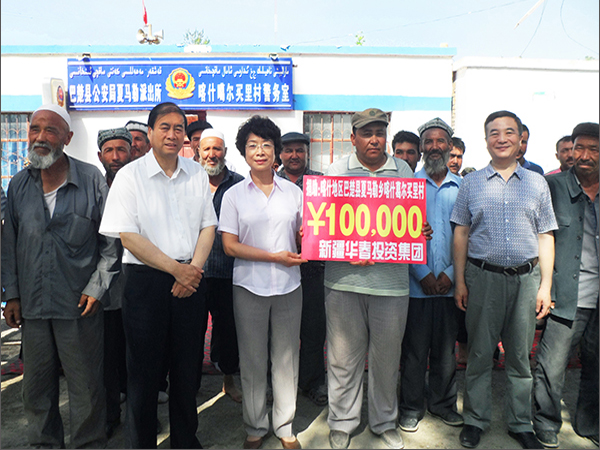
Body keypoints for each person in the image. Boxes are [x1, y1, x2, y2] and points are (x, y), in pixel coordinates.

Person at [99, 102, 217, 449]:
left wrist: (191, 271)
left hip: (191, 279)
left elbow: (208, 226)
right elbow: (128, 236)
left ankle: (184, 440)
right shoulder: (130, 176)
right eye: (164, 127)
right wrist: (177, 270)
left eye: (179, 128)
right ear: (149, 133)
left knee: (186, 371)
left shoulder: (196, 173)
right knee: (143, 375)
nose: (172, 134)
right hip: (146, 283)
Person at [1, 104, 119, 448]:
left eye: (50, 130)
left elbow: (111, 243)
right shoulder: (19, 185)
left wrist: (97, 288)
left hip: (79, 306)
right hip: (33, 306)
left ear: (67, 138)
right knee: (36, 388)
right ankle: (44, 444)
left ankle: (88, 444)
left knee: (86, 387)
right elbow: (9, 243)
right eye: (34, 129)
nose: (40, 137)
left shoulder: (91, 180)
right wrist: (12, 294)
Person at [324, 108, 431, 450]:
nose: (374, 139)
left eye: (380, 133)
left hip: (392, 284)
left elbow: (411, 221)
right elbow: (323, 224)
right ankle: (342, 422)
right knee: (343, 359)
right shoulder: (337, 171)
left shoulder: (403, 171)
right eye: (366, 133)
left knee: (386, 360)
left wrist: (419, 230)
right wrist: (344, 248)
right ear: (352, 138)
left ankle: (384, 421)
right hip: (343, 281)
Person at [452, 110, 557, 449]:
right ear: (486, 140)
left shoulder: (537, 183)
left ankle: (520, 423)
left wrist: (545, 286)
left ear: (520, 139)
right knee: (479, 355)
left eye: (509, 132)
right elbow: (461, 233)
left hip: (526, 281)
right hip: (483, 278)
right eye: (494, 133)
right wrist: (460, 281)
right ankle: (475, 420)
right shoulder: (471, 183)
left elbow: (545, 236)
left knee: (519, 358)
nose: (502, 138)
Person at [220, 115, 306, 450]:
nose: (259, 151)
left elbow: (305, 236)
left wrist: (306, 238)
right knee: (252, 359)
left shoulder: (295, 193)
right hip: (248, 286)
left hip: (289, 285)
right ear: (243, 152)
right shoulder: (234, 196)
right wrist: (274, 257)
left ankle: (284, 425)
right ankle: (255, 426)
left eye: (266, 145)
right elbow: (230, 246)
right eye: (252, 145)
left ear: (276, 152)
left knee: (286, 359)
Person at [533, 122, 599, 448]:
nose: (584, 155)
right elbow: (537, 236)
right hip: (566, 294)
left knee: (596, 367)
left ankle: (590, 423)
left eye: (593, 149)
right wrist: (542, 287)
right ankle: (545, 422)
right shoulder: (553, 186)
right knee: (552, 365)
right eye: (579, 148)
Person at [399, 118, 463, 433]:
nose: (435, 146)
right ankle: (411, 407)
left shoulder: (463, 188)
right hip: (415, 285)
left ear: (450, 146)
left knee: (445, 352)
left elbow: (470, 235)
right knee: (414, 351)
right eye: (429, 141)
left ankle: (443, 404)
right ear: (422, 147)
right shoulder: (407, 186)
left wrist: (451, 274)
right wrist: (422, 272)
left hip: (452, 285)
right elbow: (398, 233)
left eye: (440, 141)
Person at [276, 131, 328, 407]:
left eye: (300, 150)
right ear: (280, 154)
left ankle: (312, 382)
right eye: (288, 150)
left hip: (313, 269)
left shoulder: (321, 182)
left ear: (307, 153)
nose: (294, 155)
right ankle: (278, 383)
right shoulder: (270, 182)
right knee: (279, 332)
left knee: (313, 330)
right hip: (279, 269)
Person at [196, 128, 244, 403]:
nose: (212, 154)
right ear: (198, 152)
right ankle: (190, 384)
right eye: (207, 149)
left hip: (228, 271)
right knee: (192, 331)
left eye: (217, 149)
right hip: (194, 271)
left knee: (228, 331)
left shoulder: (239, 185)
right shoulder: (188, 182)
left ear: (225, 152)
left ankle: (228, 380)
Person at [97, 127, 133, 438]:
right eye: (109, 151)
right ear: (101, 156)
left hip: (138, 287)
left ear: (132, 152)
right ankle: (110, 416)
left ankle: (139, 418)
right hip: (105, 292)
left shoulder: (140, 185)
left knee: (137, 358)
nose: (116, 156)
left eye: (121, 149)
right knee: (107, 359)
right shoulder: (93, 187)